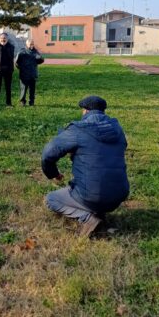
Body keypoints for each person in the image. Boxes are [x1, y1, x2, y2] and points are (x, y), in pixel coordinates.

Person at [41, 95, 129, 236]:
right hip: (119, 196)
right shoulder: (118, 129)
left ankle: (87, 217)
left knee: (51, 199)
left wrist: (53, 174)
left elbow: (48, 153)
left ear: (85, 111)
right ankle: (98, 209)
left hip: (91, 195)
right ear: (103, 111)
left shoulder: (78, 129)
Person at [15, 38, 44, 106]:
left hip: (32, 73)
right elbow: (16, 62)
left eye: (33, 44)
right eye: (30, 44)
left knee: (32, 89)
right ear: (27, 44)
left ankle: (32, 102)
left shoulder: (35, 52)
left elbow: (41, 60)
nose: (32, 46)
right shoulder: (22, 52)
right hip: (24, 74)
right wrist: (21, 68)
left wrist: (38, 56)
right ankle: (22, 101)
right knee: (23, 89)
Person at [0, 32, 15, 107]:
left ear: (7, 39)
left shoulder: (11, 47)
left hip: (8, 70)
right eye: (1, 38)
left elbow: (11, 56)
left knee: (8, 87)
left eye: (4, 38)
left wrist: (4, 47)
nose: (3, 39)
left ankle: (9, 103)